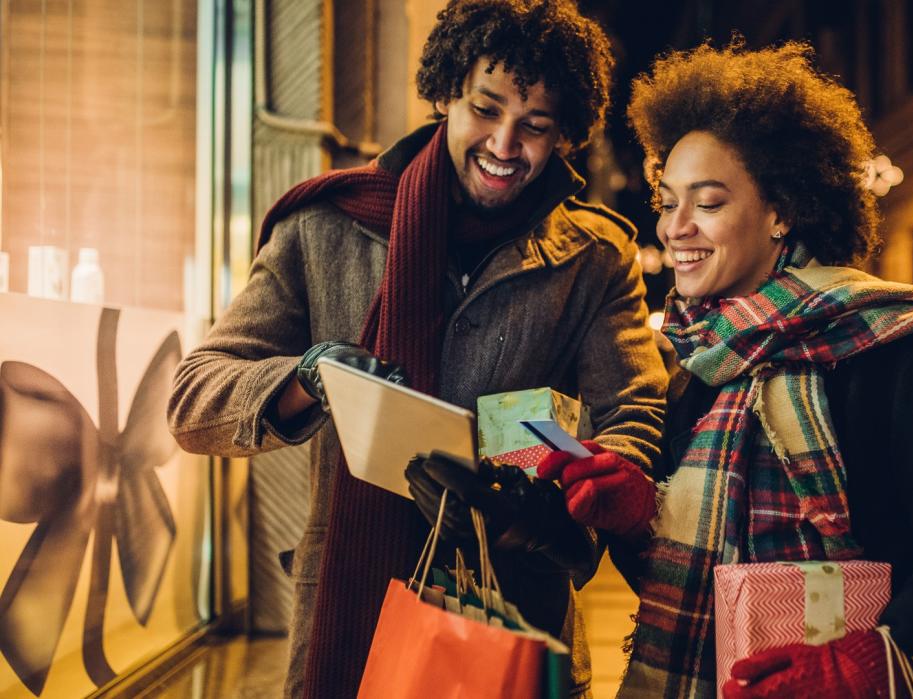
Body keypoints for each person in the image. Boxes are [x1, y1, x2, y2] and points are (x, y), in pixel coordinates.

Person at [537, 42, 913, 698]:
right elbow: (696, 584)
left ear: (781, 211)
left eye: (708, 202)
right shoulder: (702, 368)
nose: (675, 227)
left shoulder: (891, 352)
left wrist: (876, 659)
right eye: (667, 202)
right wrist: (642, 518)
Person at [166, 1, 665, 696]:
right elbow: (194, 398)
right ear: (445, 95)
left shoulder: (597, 258)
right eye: (486, 110)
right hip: (350, 613)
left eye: (536, 125)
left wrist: (552, 504)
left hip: (516, 619)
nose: (504, 142)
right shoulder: (324, 226)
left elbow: (633, 417)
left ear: (566, 136)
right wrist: (311, 375)